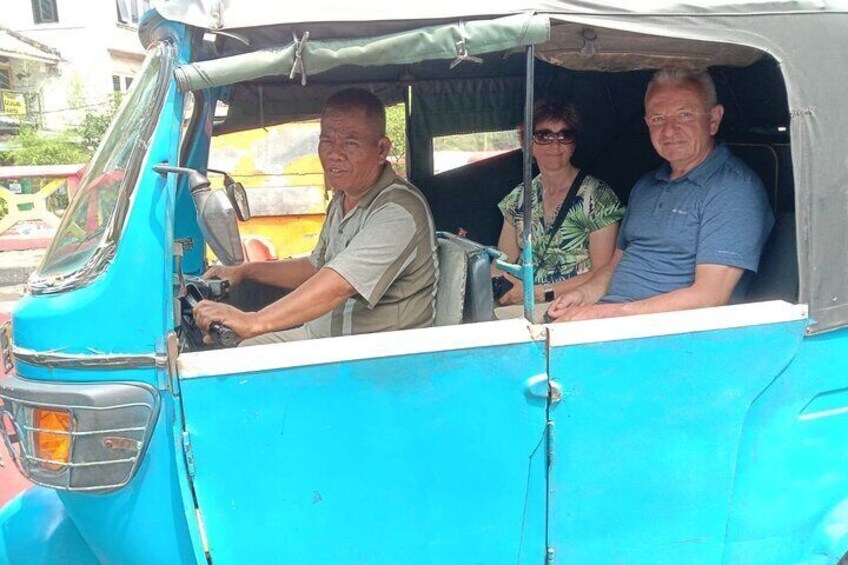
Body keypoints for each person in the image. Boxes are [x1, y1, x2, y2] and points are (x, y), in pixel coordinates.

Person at [194, 88, 438, 345]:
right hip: (324, 339)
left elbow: (338, 284)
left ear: (381, 150)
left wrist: (255, 321)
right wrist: (245, 270)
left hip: (375, 357)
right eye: (327, 141)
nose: (334, 153)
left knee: (239, 363)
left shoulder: (397, 211)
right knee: (232, 353)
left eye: (350, 143)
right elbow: (315, 267)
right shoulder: (344, 198)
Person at [547, 68, 773, 322]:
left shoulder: (734, 190)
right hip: (613, 322)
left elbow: (710, 296)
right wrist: (582, 295)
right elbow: (614, 267)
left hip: (670, 337)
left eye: (684, 115)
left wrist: (605, 313)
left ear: (713, 119)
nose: (668, 131)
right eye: (657, 119)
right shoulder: (645, 186)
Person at [494, 99, 624, 314]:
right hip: (520, 306)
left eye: (565, 135)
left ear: (574, 144)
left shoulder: (598, 197)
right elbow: (501, 262)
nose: (555, 145)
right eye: (544, 136)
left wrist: (539, 292)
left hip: (573, 308)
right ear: (527, 143)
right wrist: (504, 287)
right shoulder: (519, 197)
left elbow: (604, 271)